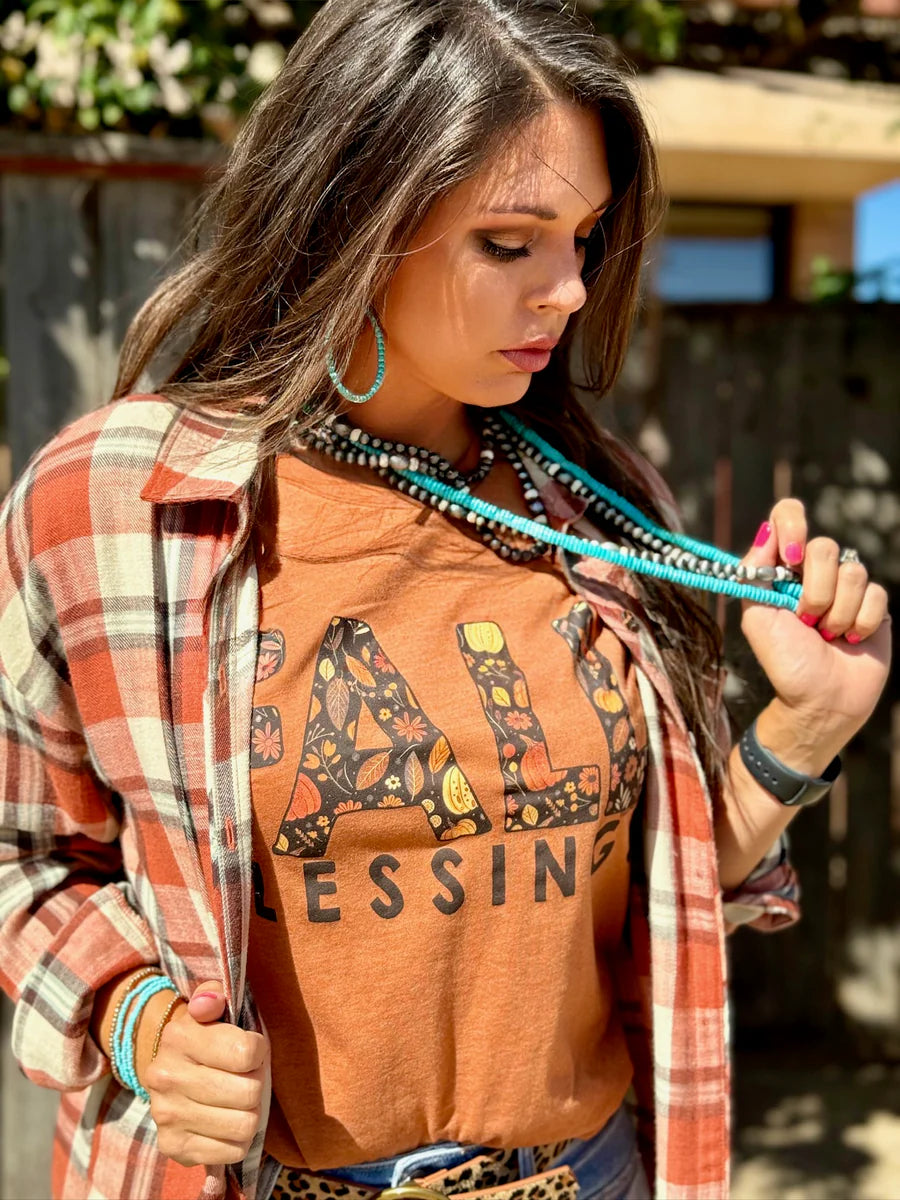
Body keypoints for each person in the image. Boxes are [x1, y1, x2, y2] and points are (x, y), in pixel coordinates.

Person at [0, 2, 890, 1199]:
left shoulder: (605, 506)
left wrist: (808, 727)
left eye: (584, 237)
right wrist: (136, 1021)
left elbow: (654, 896)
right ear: (346, 217)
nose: (572, 290)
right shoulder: (112, 504)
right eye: (509, 243)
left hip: (592, 1174)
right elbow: (25, 858)